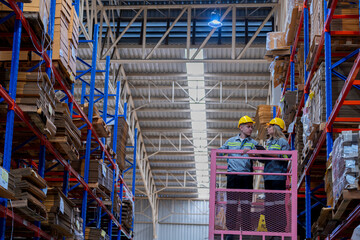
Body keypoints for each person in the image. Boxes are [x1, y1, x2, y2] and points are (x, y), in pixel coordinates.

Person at [219, 115, 258, 239]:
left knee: (246, 205)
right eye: (248, 126)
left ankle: (246, 230)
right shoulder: (230, 141)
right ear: (241, 128)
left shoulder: (253, 143)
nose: (251, 129)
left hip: (246, 177)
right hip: (233, 177)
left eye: (251, 127)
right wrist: (212, 152)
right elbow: (220, 151)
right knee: (232, 204)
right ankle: (230, 230)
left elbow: (260, 157)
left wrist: (252, 153)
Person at [263, 118, 290, 240]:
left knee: (278, 204)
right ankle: (270, 230)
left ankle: (279, 230)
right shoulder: (268, 143)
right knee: (268, 205)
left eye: (270, 126)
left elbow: (286, 156)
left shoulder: (282, 142)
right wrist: (259, 154)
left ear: (276, 128)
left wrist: (270, 154)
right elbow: (266, 160)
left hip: (279, 177)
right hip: (268, 177)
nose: (268, 128)